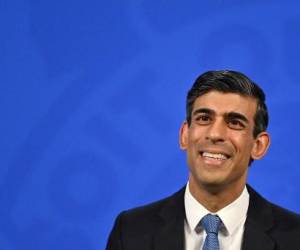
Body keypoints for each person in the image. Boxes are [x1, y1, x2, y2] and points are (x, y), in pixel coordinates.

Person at [106, 70, 300, 250]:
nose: (215, 134)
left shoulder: (295, 237)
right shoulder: (131, 232)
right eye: (204, 118)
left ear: (258, 146)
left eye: (235, 122)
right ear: (184, 135)